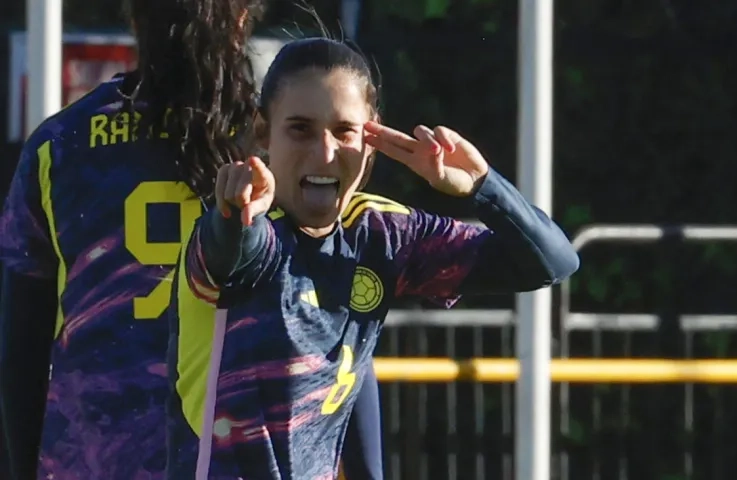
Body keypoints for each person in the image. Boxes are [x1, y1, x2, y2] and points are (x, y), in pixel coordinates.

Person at [166, 37, 580, 479]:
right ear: (263, 132)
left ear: (372, 137)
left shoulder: (380, 234)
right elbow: (232, 249)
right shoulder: (249, 232)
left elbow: (552, 261)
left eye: (344, 131)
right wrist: (234, 213)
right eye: (300, 129)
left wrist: (482, 186)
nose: (325, 153)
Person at [0, 3, 384, 479]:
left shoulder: (60, 146)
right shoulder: (284, 136)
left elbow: (21, 348)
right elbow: (341, 329)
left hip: (98, 460)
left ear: (137, 17)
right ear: (243, 18)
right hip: (247, 460)